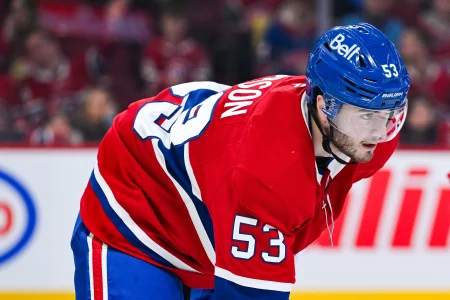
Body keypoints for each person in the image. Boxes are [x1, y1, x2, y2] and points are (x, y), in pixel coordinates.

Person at [71, 23, 410, 299]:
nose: (381, 131)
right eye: (366, 115)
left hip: (207, 207)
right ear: (323, 106)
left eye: (392, 112)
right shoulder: (266, 174)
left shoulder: (366, 135)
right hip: (138, 210)